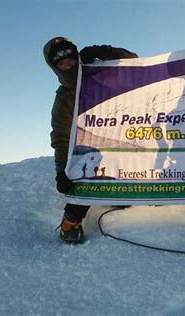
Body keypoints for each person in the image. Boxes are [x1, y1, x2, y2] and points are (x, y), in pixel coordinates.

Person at [43, 37, 138, 244]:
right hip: (94, 145)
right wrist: (61, 171)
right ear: (55, 68)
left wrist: (104, 51)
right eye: (61, 63)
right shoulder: (64, 98)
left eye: (70, 58)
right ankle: (72, 220)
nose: (68, 65)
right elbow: (61, 137)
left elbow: (134, 62)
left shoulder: (104, 73)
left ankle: (123, 195)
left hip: (128, 132)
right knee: (83, 166)